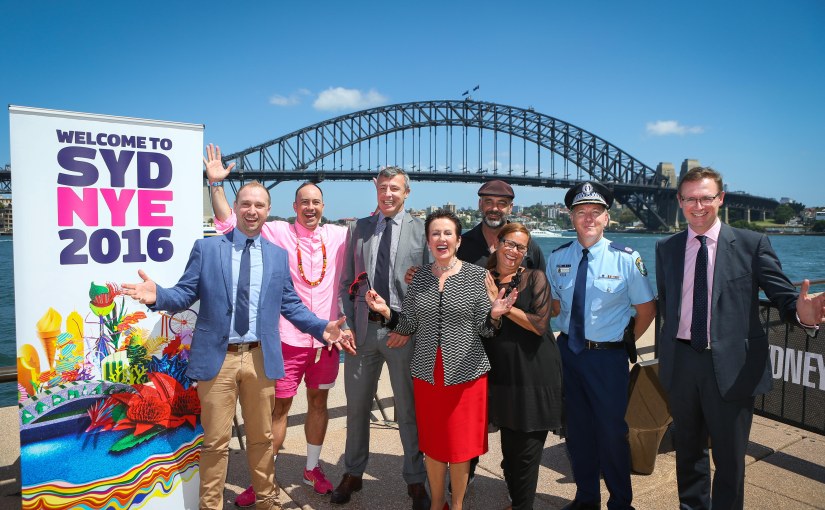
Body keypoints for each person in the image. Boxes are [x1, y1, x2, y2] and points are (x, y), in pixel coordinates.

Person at [121, 181, 349, 510]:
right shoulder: (207, 249)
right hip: (219, 359)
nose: (252, 211)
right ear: (237, 207)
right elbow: (185, 294)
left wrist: (320, 327)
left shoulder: (277, 255)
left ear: (268, 212)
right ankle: (210, 506)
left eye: (259, 205)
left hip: (260, 358)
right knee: (215, 443)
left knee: (262, 439)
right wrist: (159, 296)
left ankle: (266, 502)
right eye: (246, 204)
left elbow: (291, 305)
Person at [655, 166, 825, 510]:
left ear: (720, 198)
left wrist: (801, 314)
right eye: (690, 198)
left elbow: (782, 296)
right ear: (679, 201)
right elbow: (667, 303)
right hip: (682, 363)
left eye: (705, 198)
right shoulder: (666, 248)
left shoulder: (751, 243)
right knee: (688, 453)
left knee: (730, 460)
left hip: (732, 366)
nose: (698, 206)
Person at [202, 145, 355, 505]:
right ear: (293, 207)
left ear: (323, 207)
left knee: (319, 402)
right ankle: (263, 477)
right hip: (286, 339)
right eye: (304, 202)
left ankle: (312, 468)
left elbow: (377, 241)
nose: (311, 207)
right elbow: (229, 222)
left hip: (325, 341)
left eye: (316, 201)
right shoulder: (275, 232)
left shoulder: (338, 235)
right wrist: (216, 185)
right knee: (279, 410)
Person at [365, 210, 517, 510]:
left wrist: (495, 316)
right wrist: (385, 312)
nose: (441, 239)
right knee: (433, 446)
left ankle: (456, 505)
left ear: (458, 241)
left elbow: (485, 329)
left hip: (466, 375)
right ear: (428, 241)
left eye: (448, 233)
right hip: (427, 373)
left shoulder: (476, 276)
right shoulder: (420, 276)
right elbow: (408, 325)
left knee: (460, 449)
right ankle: (437, 504)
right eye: (435, 234)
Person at [546, 181, 656, 510]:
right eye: (582, 212)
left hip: (607, 359)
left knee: (611, 434)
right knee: (577, 433)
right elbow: (553, 307)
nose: (589, 218)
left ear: (607, 218)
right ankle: (586, 497)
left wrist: (624, 344)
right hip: (569, 354)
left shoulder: (626, 258)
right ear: (571, 217)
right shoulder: (558, 258)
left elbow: (647, 309)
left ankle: (621, 502)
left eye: (596, 212)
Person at [334, 166, 431, 509]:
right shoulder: (359, 229)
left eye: (395, 188)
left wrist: (407, 327)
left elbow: (432, 288)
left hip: (403, 334)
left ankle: (416, 479)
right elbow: (347, 281)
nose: (388, 194)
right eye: (383, 188)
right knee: (357, 408)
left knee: (408, 409)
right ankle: (353, 472)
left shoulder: (422, 231)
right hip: (362, 332)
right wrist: (345, 324)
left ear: (407, 193)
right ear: (376, 190)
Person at [484, 222, 563, 510]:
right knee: (509, 448)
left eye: (521, 247)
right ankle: (517, 501)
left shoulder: (535, 278)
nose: (514, 251)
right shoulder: (484, 278)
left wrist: (502, 304)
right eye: (509, 243)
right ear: (498, 242)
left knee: (527, 451)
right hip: (501, 375)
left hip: (534, 375)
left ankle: (522, 506)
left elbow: (540, 325)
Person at [457, 179, 546, 271]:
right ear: (480, 204)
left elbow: (541, 282)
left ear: (510, 208)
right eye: (488, 202)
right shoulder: (461, 246)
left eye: (501, 203)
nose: (494, 208)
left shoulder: (529, 246)